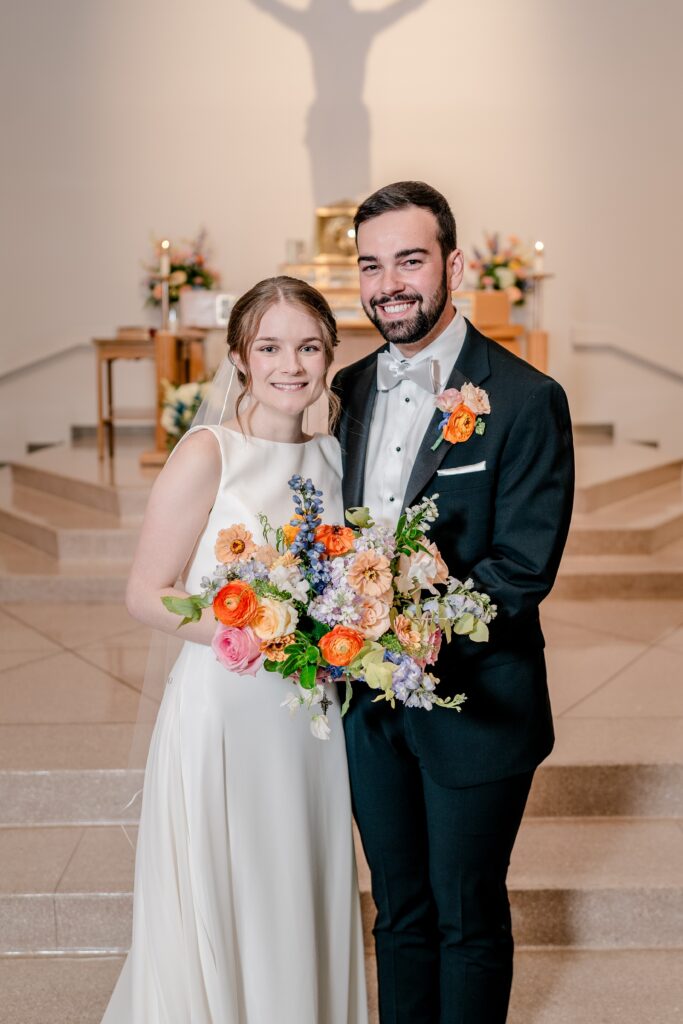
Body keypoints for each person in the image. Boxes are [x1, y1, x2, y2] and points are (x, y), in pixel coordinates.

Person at [332, 181, 575, 1023]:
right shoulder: (343, 393)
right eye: (370, 265)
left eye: (409, 259)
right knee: (397, 914)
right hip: (368, 707)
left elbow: (521, 565)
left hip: (476, 702)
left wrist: (411, 627)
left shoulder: (523, 397)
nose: (388, 282)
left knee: (466, 916)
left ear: (453, 265)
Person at [102, 277, 368, 1024]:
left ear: (328, 355)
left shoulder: (333, 459)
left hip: (306, 716)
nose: (292, 364)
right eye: (271, 346)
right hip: (225, 708)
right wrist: (251, 634)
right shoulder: (207, 452)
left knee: (297, 881)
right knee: (234, 884)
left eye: (309, 346)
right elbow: (145, 593)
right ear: (240, 359)